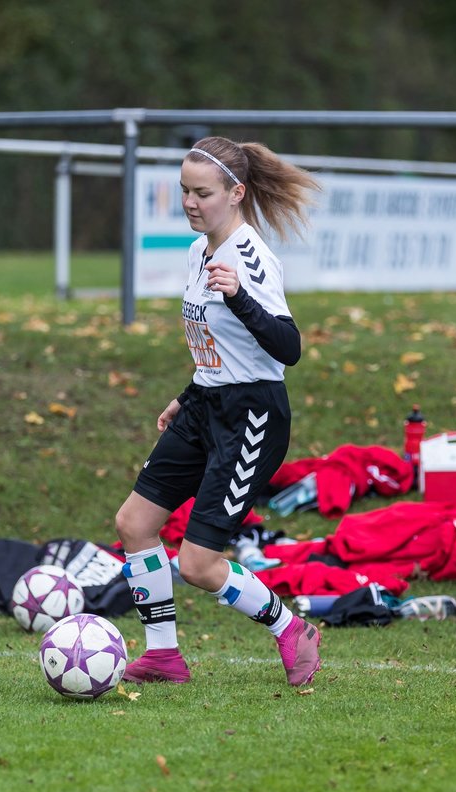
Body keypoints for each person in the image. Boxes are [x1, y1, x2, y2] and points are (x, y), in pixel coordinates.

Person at [114, 136, 323, 686]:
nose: (189, 202)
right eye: (183, 191)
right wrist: (187, 394)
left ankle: (290, 629)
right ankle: (163, 655)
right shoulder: (197, 250)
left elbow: (288, 348)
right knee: (134, 524)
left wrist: (240, 298)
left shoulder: (251, 257)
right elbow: (222, 348)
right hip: (206, 403)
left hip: (252, 415)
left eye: (201, 193)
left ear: (236, 194)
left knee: (199, 565)